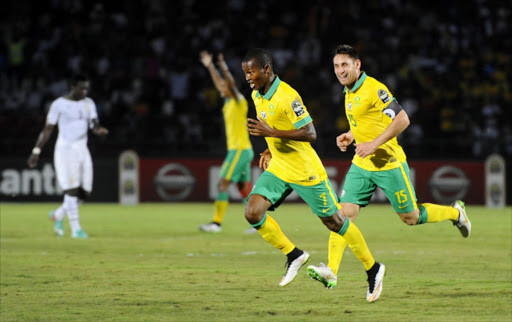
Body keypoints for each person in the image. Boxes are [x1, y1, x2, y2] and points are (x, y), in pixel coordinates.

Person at [307, 44, 471, 289]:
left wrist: (373, 144)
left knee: (411, 217)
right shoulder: (349, 90)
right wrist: (352, 135)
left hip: (388, 163)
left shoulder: (375, 88)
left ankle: (456, 213)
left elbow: (402, 119)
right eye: (336, 66)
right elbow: (367, 120)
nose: (340, 71)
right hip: (362, 164)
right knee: (342, 215)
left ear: (357, 65)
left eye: (345, 65)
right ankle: (331, 271)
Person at [242, 48, 385, 302]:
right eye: (245, 73)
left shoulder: (287, 96)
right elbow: (279, 129)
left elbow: (309, 133)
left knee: (335, 222)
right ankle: (293, 254)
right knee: (252, 211)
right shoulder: (257, 94)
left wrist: (272, 134)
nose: (248, 77)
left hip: (305, 170)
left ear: (266, 69)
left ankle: (373, 269)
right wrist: (269, 148)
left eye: (251, 72)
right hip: (280, 167)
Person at [27, 74, 108, 239]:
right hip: (66, 150)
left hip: (82, 149)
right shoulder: (59, 104)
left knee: (84, 192)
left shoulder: (88, 103)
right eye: (81, 88)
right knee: (72, 189)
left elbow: (94, 123)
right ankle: (75, 229)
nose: (84, 91)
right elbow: (48, 129)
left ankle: (58, 214)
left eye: (86, 88)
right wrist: (36, 151)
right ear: (72, 87)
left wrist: (98, 130)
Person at [198, 51, 254, 233]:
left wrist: (222, 67)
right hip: (243, 150)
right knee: (243, 188)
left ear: (231, 88)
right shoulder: (228, 102)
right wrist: (210, 67)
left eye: (224, 86)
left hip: (239, 150)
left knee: (222, 184)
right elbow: (220, 82)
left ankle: (216, 223)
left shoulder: (239, 101)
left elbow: (227, 81)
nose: (221, 88)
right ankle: (258, 222)